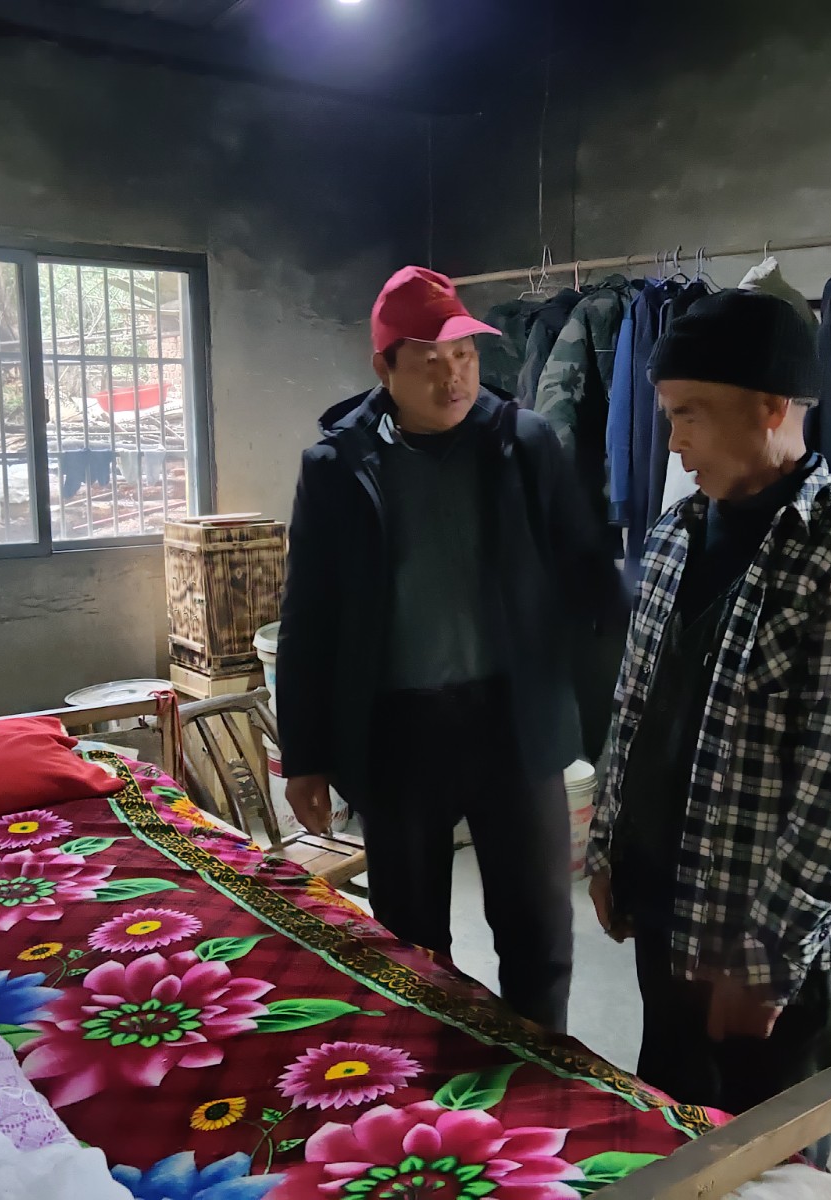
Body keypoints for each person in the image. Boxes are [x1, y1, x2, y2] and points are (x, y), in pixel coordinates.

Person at [586, 289, 831, 1164]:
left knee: (769, 1163)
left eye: (690, 415)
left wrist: (770, 958)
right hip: (667, 910)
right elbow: (636, 706)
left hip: (759, 954)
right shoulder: (677, 534)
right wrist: (610, 848)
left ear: (773, 407)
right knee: (671, 1137)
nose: (673, 442)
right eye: (669, 415)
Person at [276, 265, 626, 1033]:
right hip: (399, 731)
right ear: (385, 368)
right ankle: (431, 1077)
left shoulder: (525, 444)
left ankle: (542, 1075)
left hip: (513, 724)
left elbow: (590, 581)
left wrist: (593, 721)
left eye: (464, 355)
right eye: (430, 361)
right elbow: (309, 615)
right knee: (412, 944)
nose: (454, 376)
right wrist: (305, 754)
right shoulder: (338, 467)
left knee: (538, 937)